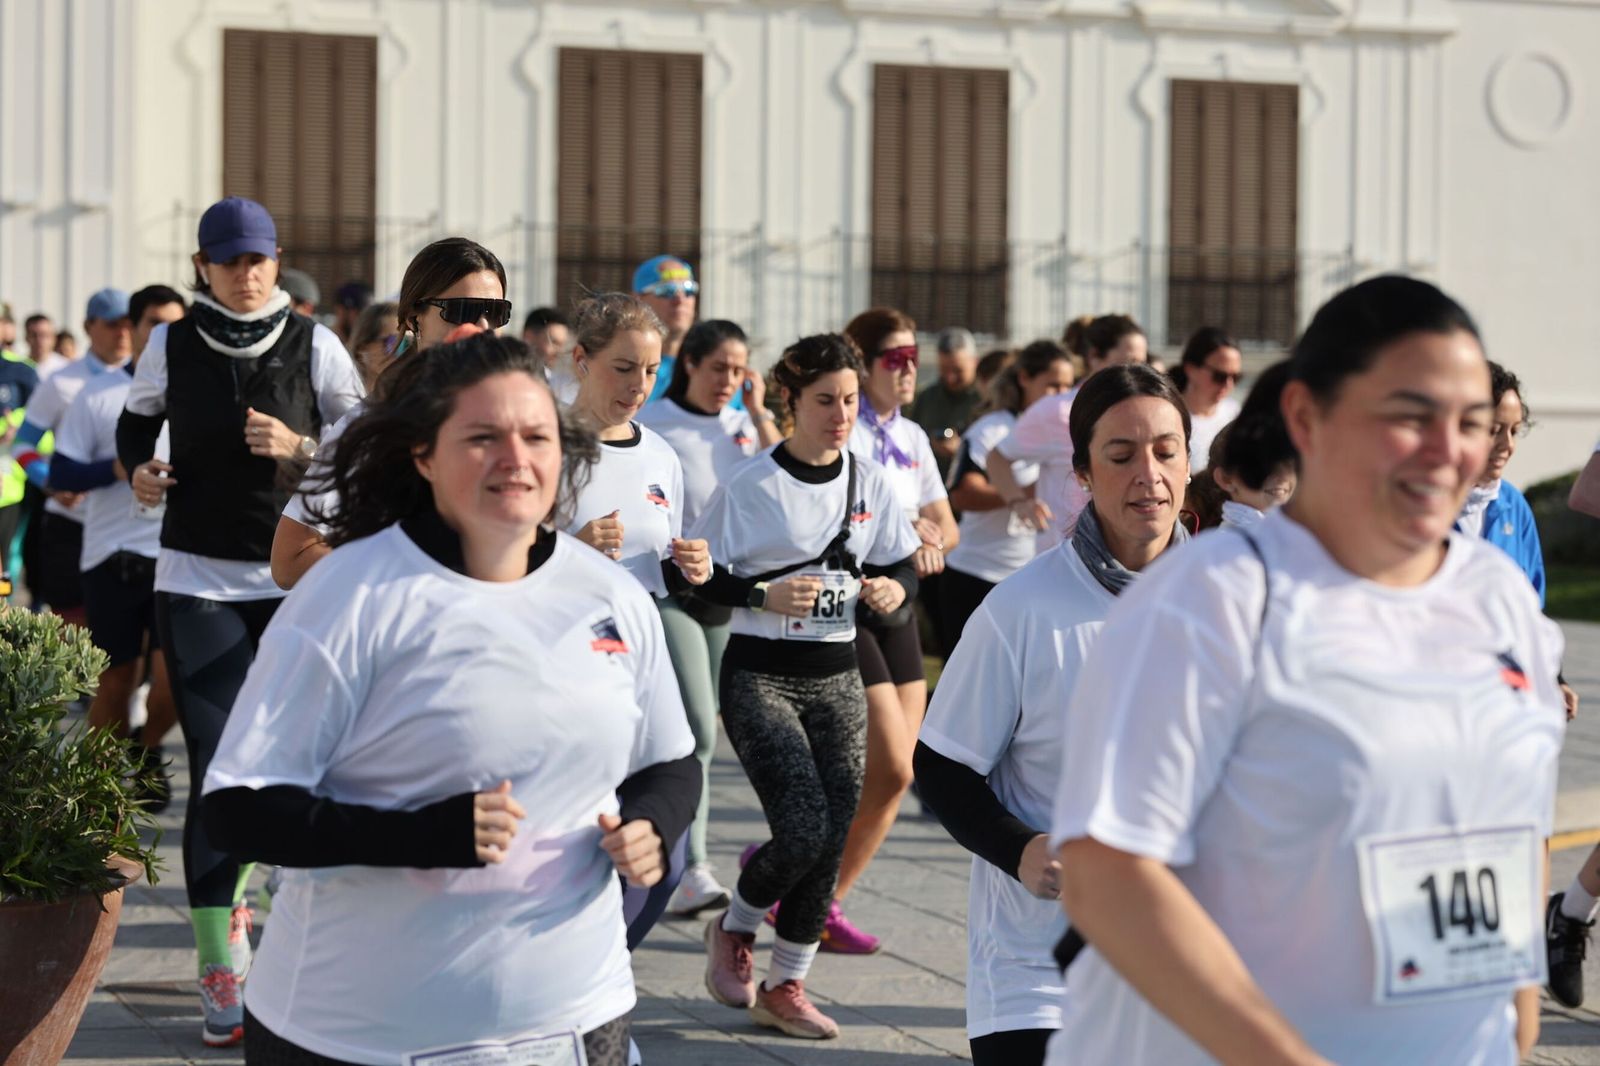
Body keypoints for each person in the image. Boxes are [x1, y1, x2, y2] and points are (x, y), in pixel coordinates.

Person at [1047, 275, 1565, 1066]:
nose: (1448, 449)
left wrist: (1516, 1020)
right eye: (1409, 416)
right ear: (1305, 418)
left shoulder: (1496, 599)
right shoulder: (1212, 599)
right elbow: (1106, 876)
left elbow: (1515, 823)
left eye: (1471, 422)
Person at [202, 331, 698, 1066]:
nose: (515, 458)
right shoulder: (349, 596)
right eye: (482, 438)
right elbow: (237, 808)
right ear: (424, 455)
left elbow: (671, 763)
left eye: (536, 435)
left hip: (576, 1019)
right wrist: (421, 835)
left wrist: (653, 824)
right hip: (356, 1034)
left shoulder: (612, 595)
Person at [116, 196, 363, 1047]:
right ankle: (219, 958)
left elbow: (361, 438)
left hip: (298, 578)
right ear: (202, 266)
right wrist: (140, 472)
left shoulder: (315, 341)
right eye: (229, 261)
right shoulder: (172, 338)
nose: (246, 274)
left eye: (258, 259)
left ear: (276, 258)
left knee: (295, 761)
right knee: (219, 766)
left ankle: (268, 905)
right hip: (196, 580)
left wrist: (301, 449)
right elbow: (136, 422)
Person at [917, 363, 1192, 1066]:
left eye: (1166, 451)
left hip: (1191, 962)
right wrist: (1021, 848)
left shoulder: (1230, 605)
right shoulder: (1020, 610)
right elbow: (941, 766)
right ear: (1080, 472)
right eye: (1121, 455)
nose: (1149, 475)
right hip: (1038, 970)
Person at [694, 332, 921, 1039]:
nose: (841, 413)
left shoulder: (870, 481)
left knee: (829, 841)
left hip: (837, 676)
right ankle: (734, 928)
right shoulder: (749, 484)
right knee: (801, 828)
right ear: (790, 402)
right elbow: (700, 579)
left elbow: (906, 575)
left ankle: (786, 984)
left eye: (851, 400)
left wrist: (891, 592)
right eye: (825, 400)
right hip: (761, 675)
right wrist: (763, 596)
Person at [559, 292, 714, 940]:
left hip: (645, 631)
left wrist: (694, 565)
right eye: (623, 367)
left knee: (684, 765)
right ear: (581, 361)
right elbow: (498, 553)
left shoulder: (661, 455)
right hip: (563, 638)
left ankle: (613, 960)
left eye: (651, 371)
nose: (638, 385)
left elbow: (671, 557)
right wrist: (569, 545)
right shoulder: (547, 445)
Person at [639, 318, 783, 918]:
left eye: (738, 369)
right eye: (718, 367)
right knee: (698, 726)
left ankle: (675, 855)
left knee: (703, 732)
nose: (729, 380)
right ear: (690, 364)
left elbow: (786, 479)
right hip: (669, 590)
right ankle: (691, 867)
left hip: (726, 592)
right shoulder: (657, 426)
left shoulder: (745, 427)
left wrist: (760, 413)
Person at [270, 237, 510, 590]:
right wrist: (410, 564)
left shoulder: (525, 422)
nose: (483, 328)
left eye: (497, 312)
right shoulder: (370, 425)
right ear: (415, 317)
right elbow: (290, 560)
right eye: (462, 311)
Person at [831, 306, 958, 951]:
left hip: (901, 600)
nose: (910, 370)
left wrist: (930, 532)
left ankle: (818, 890)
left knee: (899, 772)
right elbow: (852, 523)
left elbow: (948, 525)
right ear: (864, 362)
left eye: (915, 359)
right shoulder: (844, 431)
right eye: (896, 359)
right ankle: (806, 888)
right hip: (854, 600)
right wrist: (914, 532)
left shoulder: (911, 438)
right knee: (884, 760)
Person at [49, 284, 186, 808]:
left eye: (176, 323)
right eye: (155, 322)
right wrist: (117, 466)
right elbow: (59, 469)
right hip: (110, 555)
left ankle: (147, 748)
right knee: (115, 681)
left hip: (180, 556)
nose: (165, 334)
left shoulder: (203, 395)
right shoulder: (99, 393)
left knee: (173, 677)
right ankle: (94, 793)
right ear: (134, 327)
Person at [940, 340, 1075, 650]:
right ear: (1024, 378)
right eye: (1053, 385)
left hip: (1031, 575)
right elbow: (962, 494)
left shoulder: (1065, 427)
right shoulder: (993, 428)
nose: (1061, 395)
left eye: (1068, 386)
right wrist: (1022, 493)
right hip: (978, 574)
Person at [11, 287, 136, 623]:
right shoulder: (61, 381)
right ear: (87, 327)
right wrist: (51, 484)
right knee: (74, 631)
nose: (123, 333)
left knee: (124, 638)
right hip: (72, 523)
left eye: (129, 323)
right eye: (112, 324)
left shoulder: (149, 380)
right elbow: (22, 446)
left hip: (126, 527)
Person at [985, 314, 1148, 553]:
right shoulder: (1056, 410)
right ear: (1094, 356)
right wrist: (1019, 502)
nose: (1136, 372)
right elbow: (997, 457)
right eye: (1129, 362)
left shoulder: (1145, 412)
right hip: (1063, 561)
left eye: (1142, 364)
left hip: (1125, 562)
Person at [634, 255, 712, 406]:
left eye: (689, 290)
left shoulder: (716, 369)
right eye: (666, 290)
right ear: (639, 299)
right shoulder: (623, 368)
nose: (680, 299)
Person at [907, 326, 982, 478]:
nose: (950, 378)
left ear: (974, 362)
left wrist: (961, 451)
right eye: (944, 369)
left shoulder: (986, 400)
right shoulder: (927, 398)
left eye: (958, 370)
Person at [1171, 326, 1242, 468]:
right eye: (1219, 376)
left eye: (1235, 377)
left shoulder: (1234, 412)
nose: (1228, 384)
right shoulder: (1171, 415)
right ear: (1191, 369)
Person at [345, 301, 400, 392]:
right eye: (394, 342)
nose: (404, 352)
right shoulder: (343, 402)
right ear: (361, 351)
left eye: (408, 343)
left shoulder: (419, 402)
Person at [523, 306, 575, 401]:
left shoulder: (559, 386)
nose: (560, 351)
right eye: (554, 342)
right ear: (529, 337)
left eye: (562, 345)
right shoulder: (502, 373)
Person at [332, 280, 373, 346]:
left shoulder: (368, 346)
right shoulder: (325, 344)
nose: (365, 319)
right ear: (340, 310)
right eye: (359, 313)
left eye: (369, 314)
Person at [23, 313, 65, 378]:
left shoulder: (64, 368)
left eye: (44, 335)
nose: (39, 340)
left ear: (54, 338)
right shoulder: (19, 368)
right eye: (34, 335)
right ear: (26, 338)